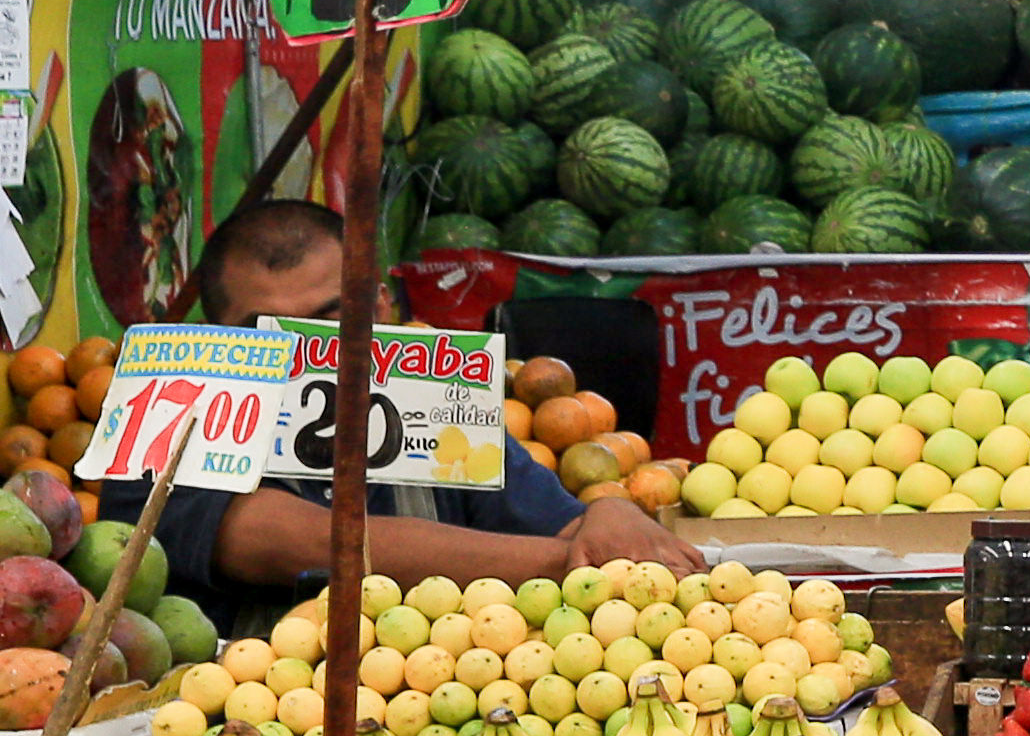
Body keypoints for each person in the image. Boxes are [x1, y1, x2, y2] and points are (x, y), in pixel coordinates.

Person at [114, 202, 697, 634]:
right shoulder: (164, 422)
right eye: (268, 331)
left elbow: (562, 521)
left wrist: (611, 511)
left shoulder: (441, 404)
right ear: (222, 338)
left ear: (382, 307)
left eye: (331, 318)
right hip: (245, 727)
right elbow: (296, 540)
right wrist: (578, 562)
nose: (309, 349)